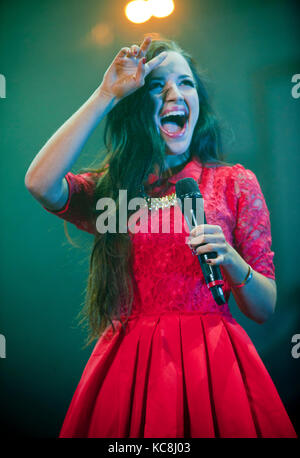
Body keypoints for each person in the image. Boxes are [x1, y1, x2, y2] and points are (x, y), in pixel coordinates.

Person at [25, 35, 297, 438]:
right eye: (158, 86)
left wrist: (231, 260)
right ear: (137, 106)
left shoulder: (234, 183)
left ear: (198, 102)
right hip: (131, 365)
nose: (175, 92)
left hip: (214, 362)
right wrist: (105, 94)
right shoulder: (113, 190)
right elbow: (39, 182)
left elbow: (264, 307)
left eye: (186, 83)